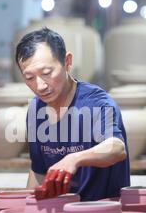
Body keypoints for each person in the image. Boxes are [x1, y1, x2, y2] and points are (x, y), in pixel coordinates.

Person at [15, 27, 130, 201]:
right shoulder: (36, 109)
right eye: (29, 78)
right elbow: (39, 172)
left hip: (104, 212)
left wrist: (74, 159)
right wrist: (25, 209)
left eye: (46, 73)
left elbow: (117, 148)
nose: (40, 86)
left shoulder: (96, 103)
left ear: (67, 62)